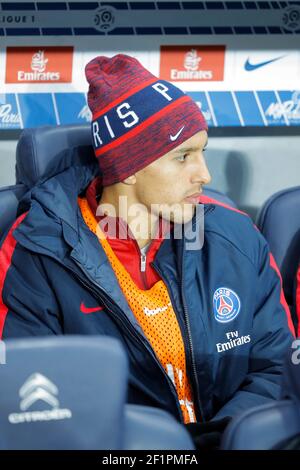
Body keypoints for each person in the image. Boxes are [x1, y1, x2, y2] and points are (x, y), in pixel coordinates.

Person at [0, 54, 295, 448]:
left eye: (203, 152)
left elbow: (276, 368)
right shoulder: (38, 251)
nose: (205, 175)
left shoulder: (235, 235)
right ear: (130, 167)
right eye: (183, 157)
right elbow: (34, 403)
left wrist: (217, 443)